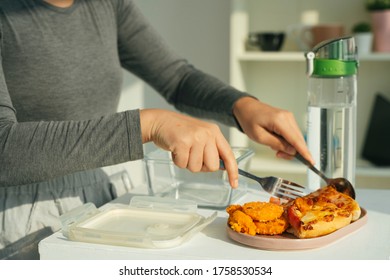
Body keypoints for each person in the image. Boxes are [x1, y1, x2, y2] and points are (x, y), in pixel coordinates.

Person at [0, 0, 313, 259]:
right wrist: (147, 124)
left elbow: (176, 78)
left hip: (102, 201)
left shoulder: (106, 4)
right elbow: (4, 150)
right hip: (20, 221)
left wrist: (241, 106)